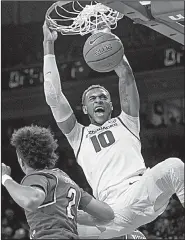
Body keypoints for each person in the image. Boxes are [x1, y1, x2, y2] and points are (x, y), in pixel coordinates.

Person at [42, 21, 184, 236]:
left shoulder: (127, 121)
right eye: (92, 98)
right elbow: (54, 97)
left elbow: (126, 75)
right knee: (56, 228)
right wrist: (48, 45)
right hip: (112, 211)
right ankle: (129, 236)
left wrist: (105, 37)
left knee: (174, 166)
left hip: (142, 190)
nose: (98, 100)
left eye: (103, 97)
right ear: (85, 108)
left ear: (111, 104)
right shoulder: (78, 135)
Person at [1, 125, 115, 239]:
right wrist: (68, 214)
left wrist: (5, 178)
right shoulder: (66, 180)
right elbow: (107, 214)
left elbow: (31, 200)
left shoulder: (34, 177)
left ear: (21, 160)